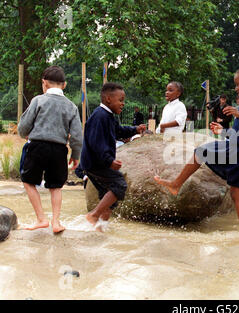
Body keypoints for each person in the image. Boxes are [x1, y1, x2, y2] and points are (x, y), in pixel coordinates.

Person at [154, 64, 239, 238]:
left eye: (238, 84)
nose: (235, 88)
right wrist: (222, 130)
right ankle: (177, 184)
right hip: (237, 147)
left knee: (236, 192)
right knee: (202, 153)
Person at [17, 66, 82, 233]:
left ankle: (41, 219)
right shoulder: (71, 107)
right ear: (64, 85)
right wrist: (75, 155)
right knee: (56, 186)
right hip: (59, 149)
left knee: (28, 181)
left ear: (44, 83)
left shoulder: (38, 101)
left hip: (37, 146)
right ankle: (56, 222)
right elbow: (76, 135)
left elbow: (24, 126)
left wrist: (25, 134)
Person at [80, 82, 146, 232]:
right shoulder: (100, 116)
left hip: (95, 163)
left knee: (109, 197)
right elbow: (97, 143)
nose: (123, 104)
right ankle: (94, 215)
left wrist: (135, 129)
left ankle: (100, 228)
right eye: (121, 100)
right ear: (108, 99)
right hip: (96, 163)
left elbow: (118, 131)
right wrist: (109, 161)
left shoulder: (108, 116)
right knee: (119, 184)